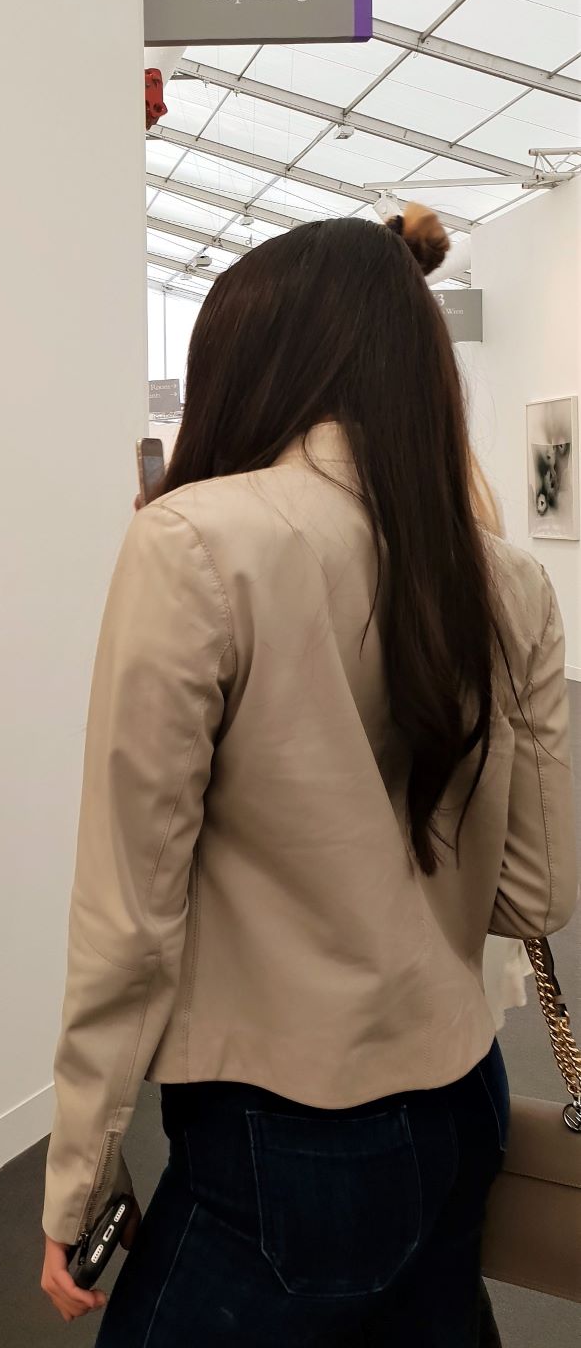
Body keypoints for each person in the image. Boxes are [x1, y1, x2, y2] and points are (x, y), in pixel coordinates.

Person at [41, 207, 576, 1343]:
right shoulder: (508, 579)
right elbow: (536, 894)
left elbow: (131, 915)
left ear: (247, 360)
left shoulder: (192, 542)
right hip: (461, 1092)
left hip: (281, 1125)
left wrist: (81, 1170)